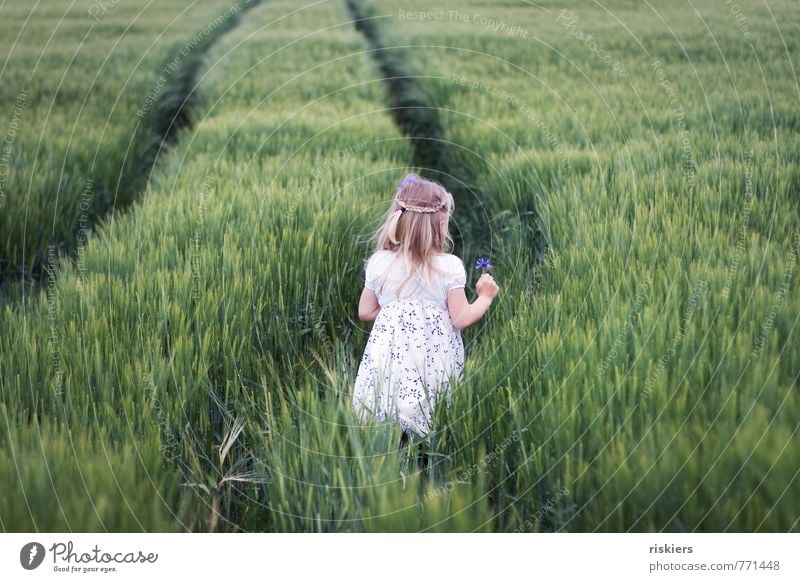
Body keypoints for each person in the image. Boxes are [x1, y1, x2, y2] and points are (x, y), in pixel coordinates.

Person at [353, 173, 499, 442]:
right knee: (432, 410)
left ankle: (390, 459)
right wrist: (485, 297)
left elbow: (365, 312)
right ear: (440, 224)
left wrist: (396, 314)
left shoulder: (379, 262)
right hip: (433, 352)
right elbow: (461, 319)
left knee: (388, 406)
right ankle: (426, 463)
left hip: (391, 353)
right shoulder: (448, 266)